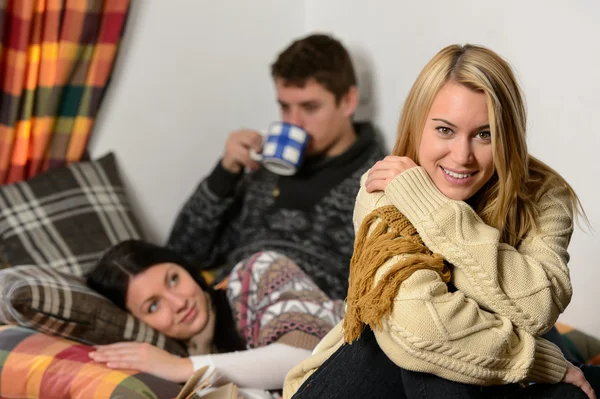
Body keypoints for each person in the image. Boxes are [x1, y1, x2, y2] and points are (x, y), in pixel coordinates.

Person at [283, 44, 595, 399]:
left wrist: (433, 211)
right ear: (418, 126)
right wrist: (542, 361)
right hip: (356, 379)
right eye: (445, 130)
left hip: (482, 377)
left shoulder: (543, 194)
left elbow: (538, 308)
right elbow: (422, 326)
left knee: (575, 394)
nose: (462, 157)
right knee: (428, 357)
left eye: (484, 134)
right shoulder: (383, 187)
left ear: (507, 135)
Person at [167, 33, 385, 300]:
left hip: (300, 320)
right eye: (284, 107)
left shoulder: (378, 183)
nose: (294, 123)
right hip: (224, 304)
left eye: (310, 107)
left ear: (348, 101)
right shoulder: (267, 170)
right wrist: (224, 175)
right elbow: (181, 255)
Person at [86, 240, 344, 391]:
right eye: (153, 306)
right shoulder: (176, 355)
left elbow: (305, 357)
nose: (178, 303)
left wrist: (181, 368)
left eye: (174, 279)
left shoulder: (259, 271)